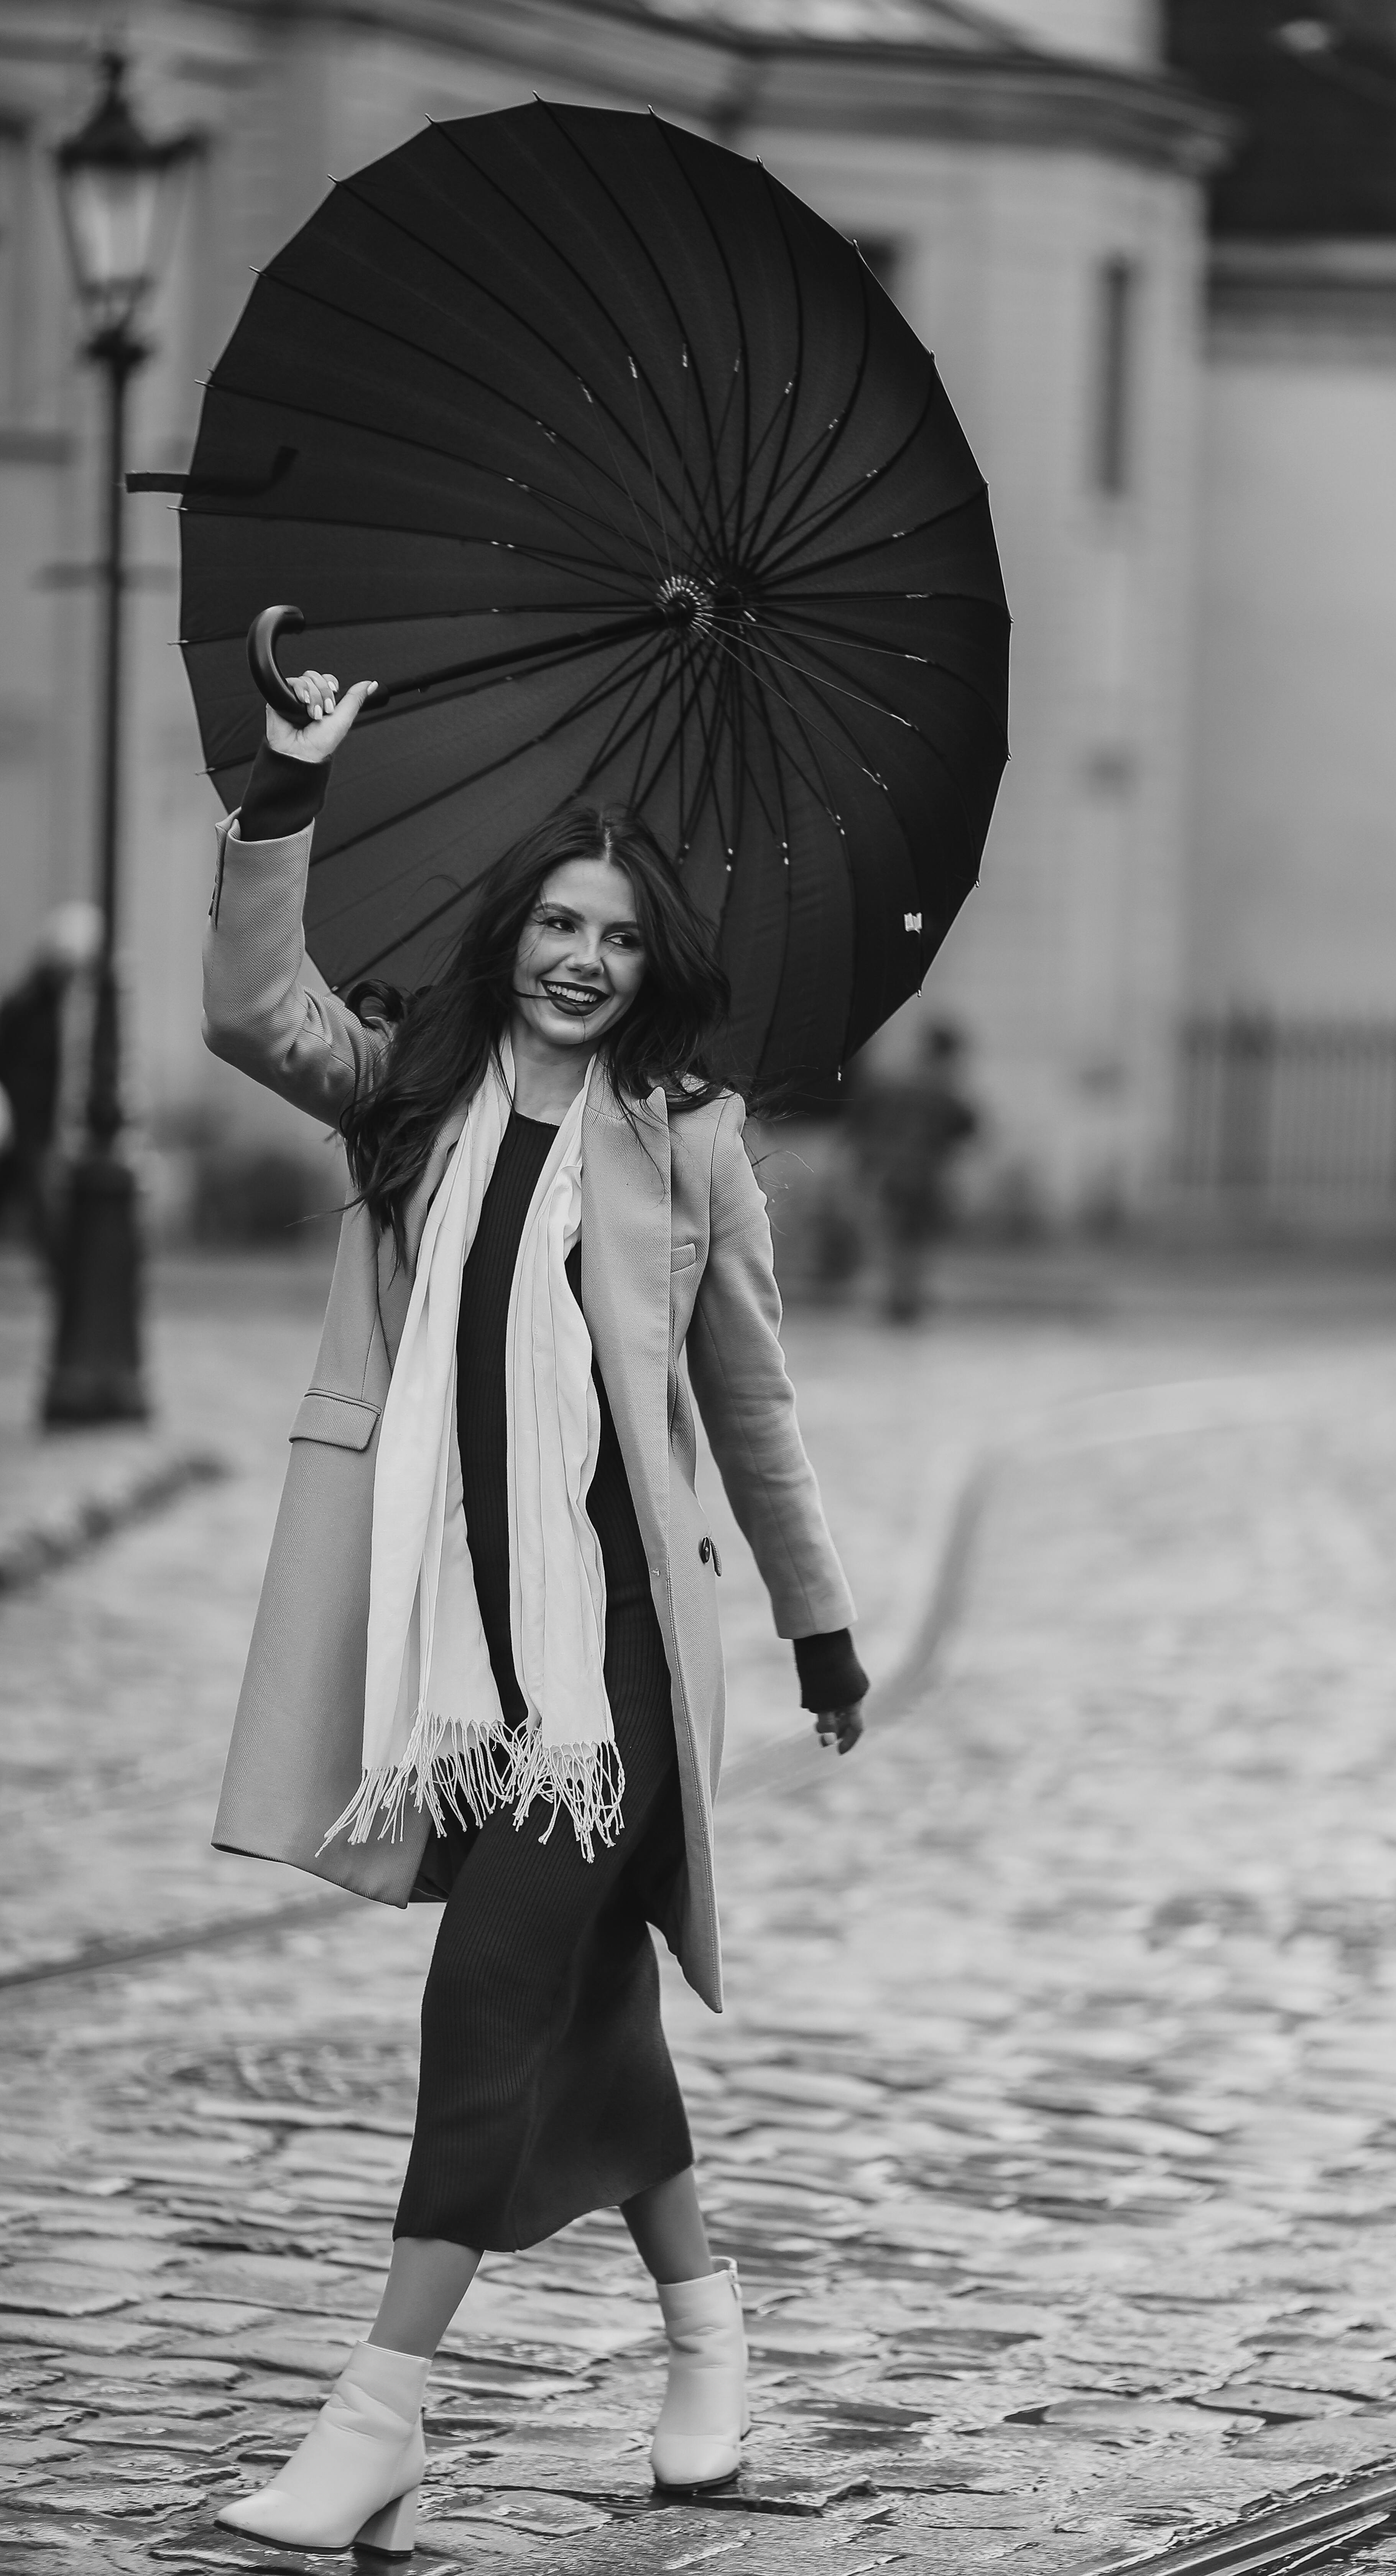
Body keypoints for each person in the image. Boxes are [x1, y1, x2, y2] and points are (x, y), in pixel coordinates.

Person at [201, 667, 869, 2553]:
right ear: (513, 935)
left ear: (656, 967)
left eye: (620, 938)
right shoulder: (410, 1090)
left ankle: (377, 2417)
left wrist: (817, 1626)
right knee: (588, 2011)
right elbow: (249, 1008)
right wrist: (290, 784)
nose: (583, 960)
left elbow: (749, 1401)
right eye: (560, 926)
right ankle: (709, 2337)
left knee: (491, 1984)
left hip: (615, 1660)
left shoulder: (684, 1134)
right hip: (457, 1643)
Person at [847, 1020, 978, 1322]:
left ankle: (899, 1295)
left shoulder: (895, 1085)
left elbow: (863, 1128)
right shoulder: (943, 1093)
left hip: (894, 1173)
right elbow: (969, 1131)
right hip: (924, 1176)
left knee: (897, 1235)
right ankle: (908, 1296)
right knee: (916, 1238)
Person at [0, 901, 102, 1258]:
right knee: (42, 1198)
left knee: (41, 1197)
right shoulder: (27, 1006)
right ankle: (64, 1268)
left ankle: (65, 1267)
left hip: (49, 1121)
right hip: (28, 1119)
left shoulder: (72, 1007)